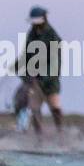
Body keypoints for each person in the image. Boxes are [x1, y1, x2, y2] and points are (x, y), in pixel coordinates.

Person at [20, 7, 63, 135]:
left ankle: (60, 134)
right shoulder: (31, 34)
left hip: (50, 81)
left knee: (55, 108)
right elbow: (26, 56)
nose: (35, 25)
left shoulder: (53, 36)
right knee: (34, 109)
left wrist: (45, 77)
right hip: (34, 80)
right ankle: (39, 138)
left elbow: (56, 62)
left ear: (44, 19)